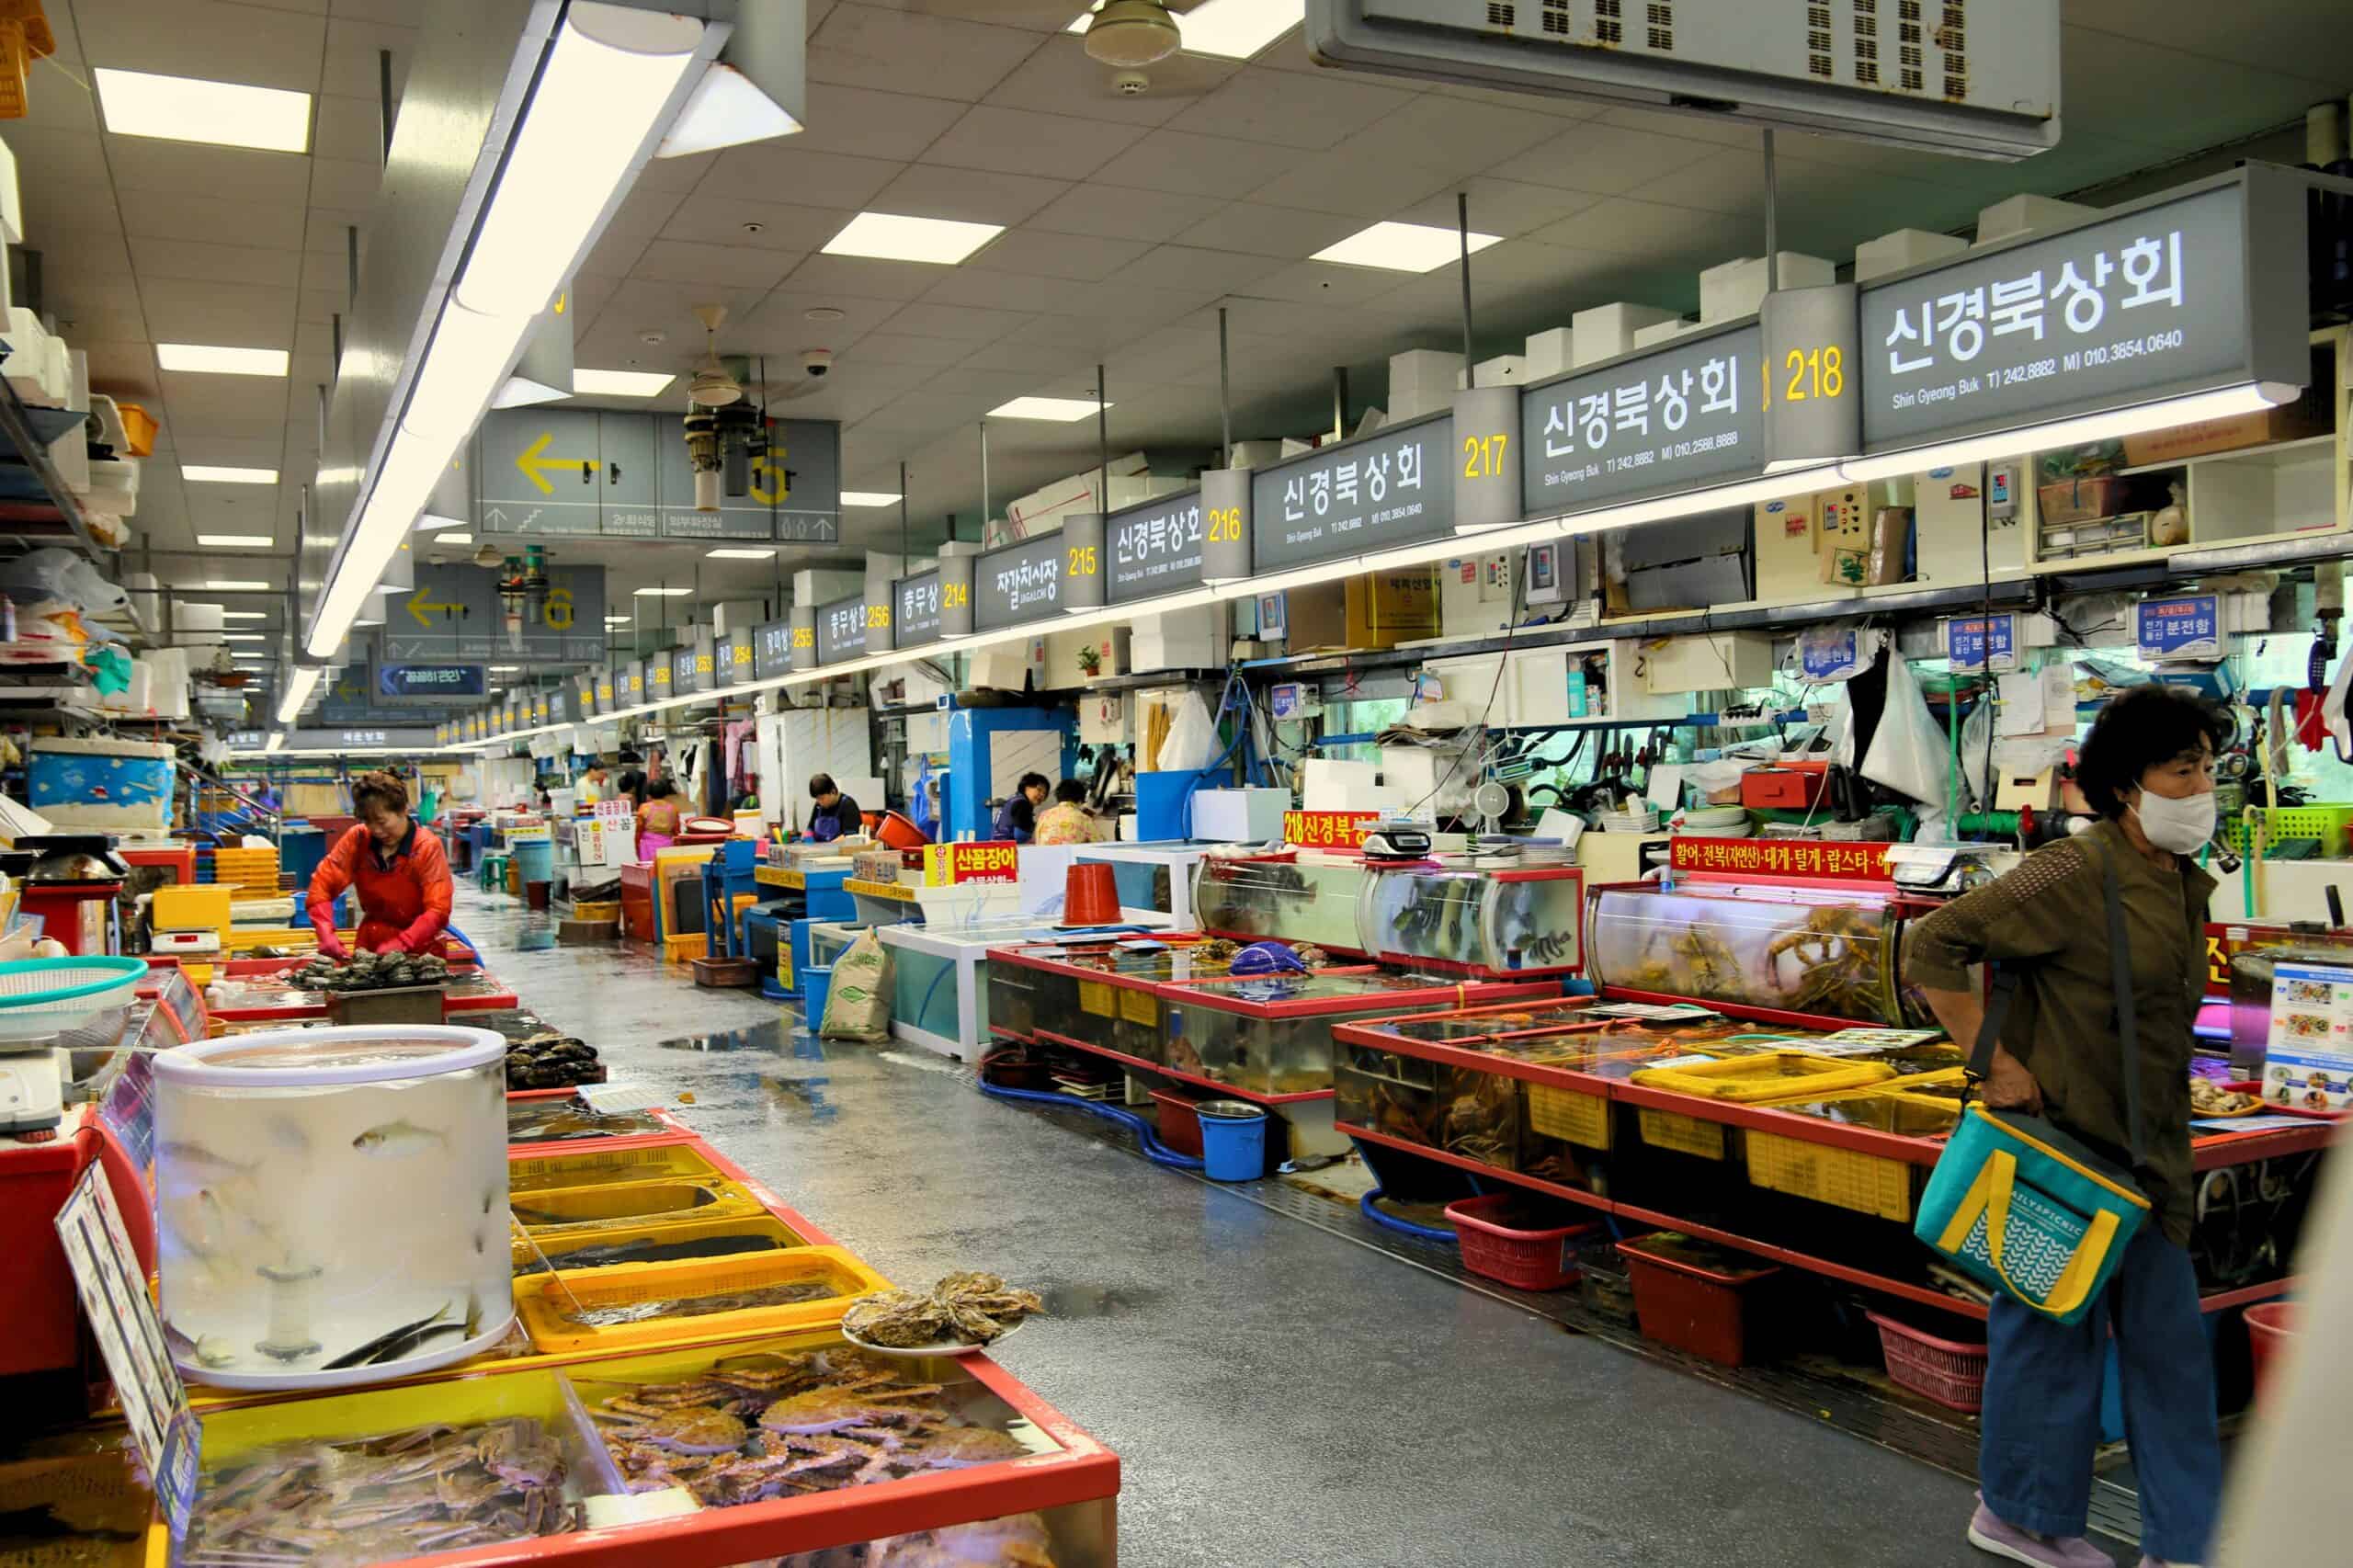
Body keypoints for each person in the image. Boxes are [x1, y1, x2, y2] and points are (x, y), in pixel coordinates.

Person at [1904, 685, 2227, 1568]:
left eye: (2207, 765)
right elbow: (1929, 943)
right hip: (2066, 1152)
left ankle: (2185, 1545)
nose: (2202, 783)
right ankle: (2019, 1517)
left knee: (2173, 1357)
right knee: (2049, 1340)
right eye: (2181, 766)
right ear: (2127, 785)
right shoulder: (2072, 872)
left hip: (2150, 1155)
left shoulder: (2179, 878)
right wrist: (1990, 1061)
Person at [307, 769, 455, 960]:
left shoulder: (427, 847)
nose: (376, 830)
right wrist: (325, 931)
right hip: (369, 944)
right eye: (368, 821)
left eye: (382, 821)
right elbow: (322, 884)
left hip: (420, 950)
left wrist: (404, 942)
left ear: (403, 810)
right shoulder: (358, 839)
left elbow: (438, 910)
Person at [1032, 778, 1096, 846]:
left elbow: (1038, 842)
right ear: (1080, 800)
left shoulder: (1043, 815)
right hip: (1070, 855)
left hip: (1044, 855)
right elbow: (1101, 844)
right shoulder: (1084, 819)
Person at [992, 773, 1050, 843]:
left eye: (1044, 793)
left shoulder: (1013, 800)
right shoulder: (1023, 804)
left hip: (997, 847)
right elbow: (1021, 836)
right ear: (1027, 787)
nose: (1042, 795)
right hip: (1009, 849)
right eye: (1039, 790)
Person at [805, 773, 862, 842]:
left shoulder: (848, 805)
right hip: (819, 851)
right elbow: (810, 828)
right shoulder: (818, 805)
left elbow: (850, 837)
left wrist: (829, 847)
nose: (819, 802)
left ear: (833, 791)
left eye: (822, 798)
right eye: (817, 799)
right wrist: (808, 842)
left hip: (840, 851)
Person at [636, 779, 683, 858]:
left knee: (650, 868)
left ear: (649, 794)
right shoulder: (673, 808)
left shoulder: (644, 808)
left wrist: (637, 848)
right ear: (665, 793)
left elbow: (638, 832)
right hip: (668, 846)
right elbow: (677, 831)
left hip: (647, 848)